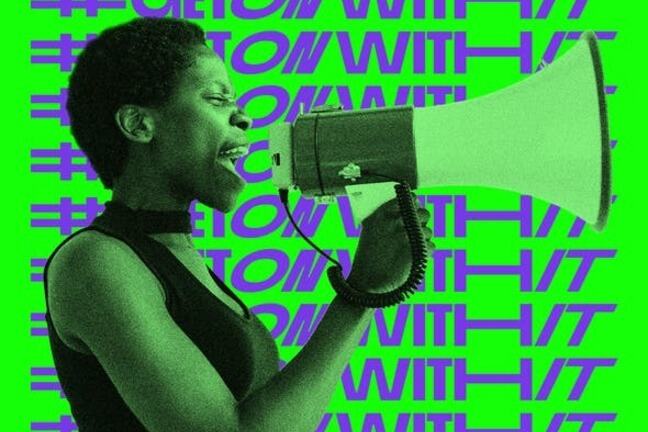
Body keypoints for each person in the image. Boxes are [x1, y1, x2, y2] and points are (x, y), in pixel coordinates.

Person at [44, 17, 434, 432]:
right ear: (139, 125)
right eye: (217, 99)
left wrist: (370, 289)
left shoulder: (175, 256)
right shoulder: (94, 261)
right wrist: (361, 294)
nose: (244, 118)